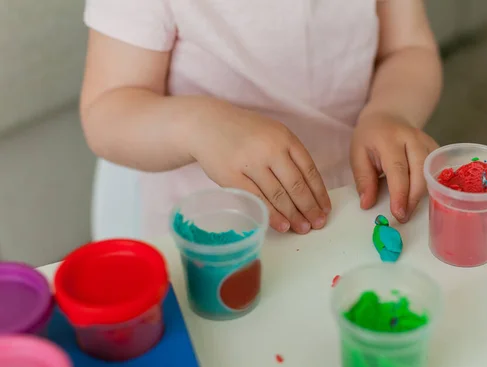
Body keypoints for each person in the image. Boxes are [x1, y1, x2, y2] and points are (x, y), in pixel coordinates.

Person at [80, 0, 442, 238]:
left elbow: (407, 48)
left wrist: (390, 111)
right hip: (210, 235)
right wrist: (200, 125)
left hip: (351, 203)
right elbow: (108, 112)